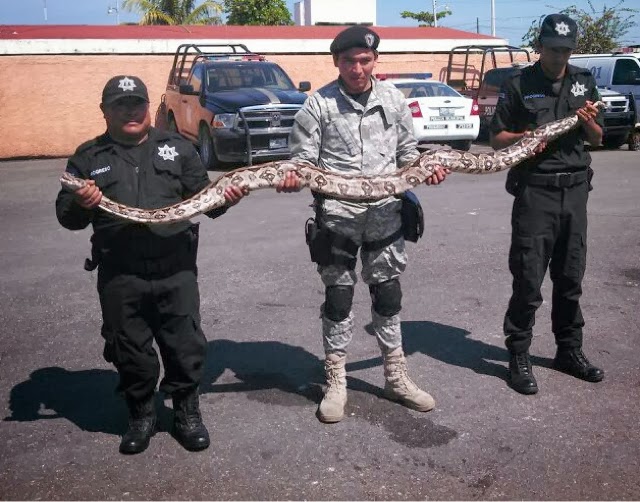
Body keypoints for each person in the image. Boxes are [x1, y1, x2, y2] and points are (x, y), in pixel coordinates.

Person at [55, 75, 250, 454]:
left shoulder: (178, 148)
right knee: (129, 348)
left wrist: (229, 196)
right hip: (120, 272)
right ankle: (141, 413)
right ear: (105, 111)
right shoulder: (88, 157)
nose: (130, 111)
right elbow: (67, 218)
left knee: (185, 345)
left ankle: (186, 413)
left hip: (174, 268)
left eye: (137, 103)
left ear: (148, 107)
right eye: (120, 105)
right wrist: (80, 203)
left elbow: (208, 203)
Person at [283, 25, 449, 423]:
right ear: (335, 62)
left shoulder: (393, 100)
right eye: (348, 61)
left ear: (375, 60)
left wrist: (428, 169)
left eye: (365, 60)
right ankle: (336, 379)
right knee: (338, 298)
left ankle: (395, 375)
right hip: (337, 218)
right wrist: (292, 176)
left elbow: (408, 153)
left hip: (386, 216)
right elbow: (301, 161)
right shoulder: (317, 105)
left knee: (388, 295)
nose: (357, 68)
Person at [489, 14, 605, 395]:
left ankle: (569, 351)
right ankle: (518, 355)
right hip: (535, 191)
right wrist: (526, 138)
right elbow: (497, 139)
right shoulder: (519, 84)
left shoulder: (583, 81)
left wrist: (588, 122)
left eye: (567, 50)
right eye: (555, 50)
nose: (560, 57)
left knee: (571, 277)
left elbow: (598, 138)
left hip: (574, 190)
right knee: (528, 277)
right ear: (540, 46)